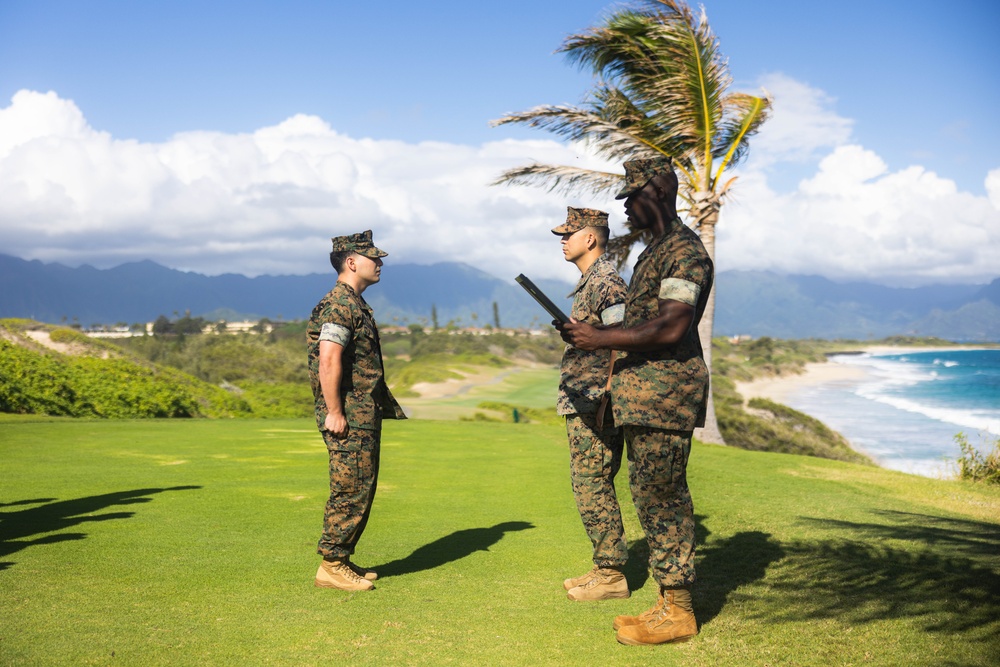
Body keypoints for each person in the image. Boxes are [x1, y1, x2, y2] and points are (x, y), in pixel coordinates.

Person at [557, 157, 713, 645]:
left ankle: (680, 611)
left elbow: (672, 326)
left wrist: (596, 339)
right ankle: (668, 603)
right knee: (650, 496)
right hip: (645, 399)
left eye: (631, 197)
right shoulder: (654, 253)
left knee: (665, 499)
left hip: (665, 396)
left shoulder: (684, 252)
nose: (624, 206)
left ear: (658, 193)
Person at [306, 229, 406, 591]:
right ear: (351, 262)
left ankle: (341, 559)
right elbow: (329, 359)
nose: (379, 263)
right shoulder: (340, 305)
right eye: (372, 258)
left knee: (360, 486)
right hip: (348, 415)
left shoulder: (353, 303)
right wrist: (335, 410)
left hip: (360, 414)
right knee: (350, 488)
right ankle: (331, 565)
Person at [551, 206, 630, 602]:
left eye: (568, 233)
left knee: (592, 482)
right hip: (584, 399)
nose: (562, 241)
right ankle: (604, 565)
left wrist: (609, 398)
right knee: (589, 483)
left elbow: (624, 339)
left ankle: (612, 574)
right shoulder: (589, 282)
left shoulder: (607, 283)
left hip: (596, 401)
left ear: (590, 238)